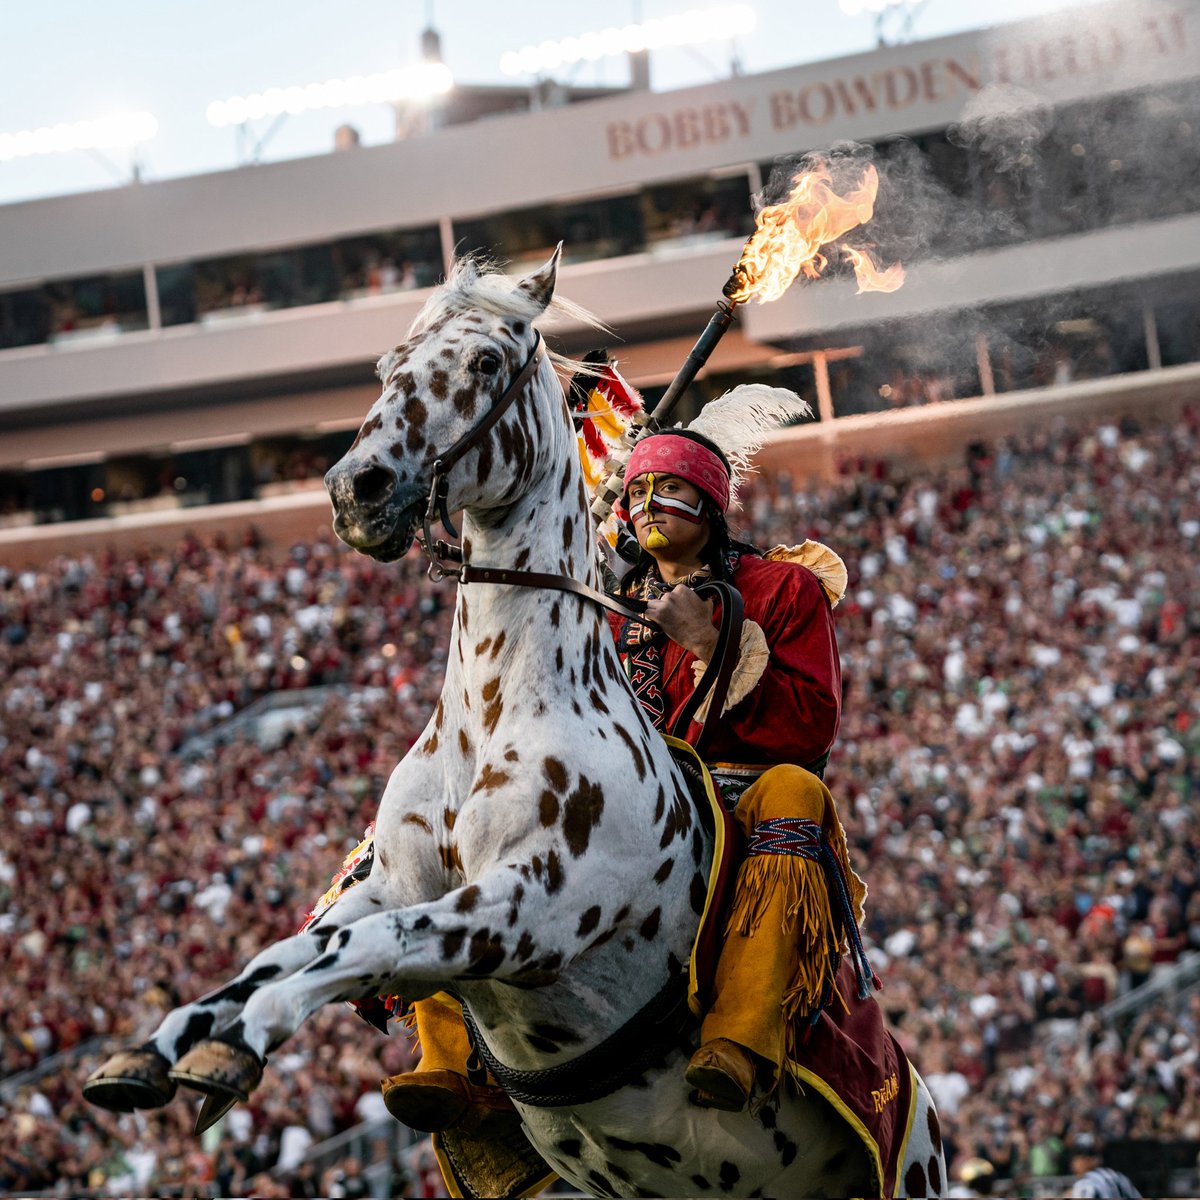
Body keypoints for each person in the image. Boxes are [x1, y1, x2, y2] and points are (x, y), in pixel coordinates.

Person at [381, 427, 869, 1127]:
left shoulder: (780, 586)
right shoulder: (605, 605)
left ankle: (743, 1037)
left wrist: (704, 640)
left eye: (668, 488)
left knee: (799, 794)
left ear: (709, 501)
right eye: (637, 492)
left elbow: (812, 726)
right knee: (453, 825)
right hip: (619, 794)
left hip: (738, 791)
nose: (648, 504)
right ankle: (456, 1062)